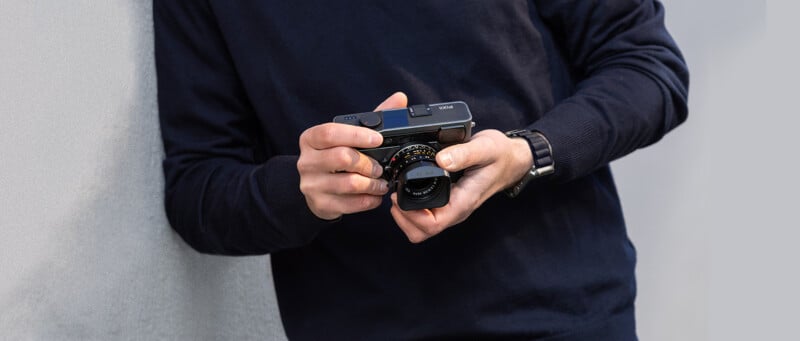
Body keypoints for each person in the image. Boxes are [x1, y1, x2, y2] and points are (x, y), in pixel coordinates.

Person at [154, 1, 688, 339]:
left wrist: (526, 155)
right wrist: (299, 189)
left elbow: (648, 68)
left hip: (563, 317)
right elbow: (196, 191)